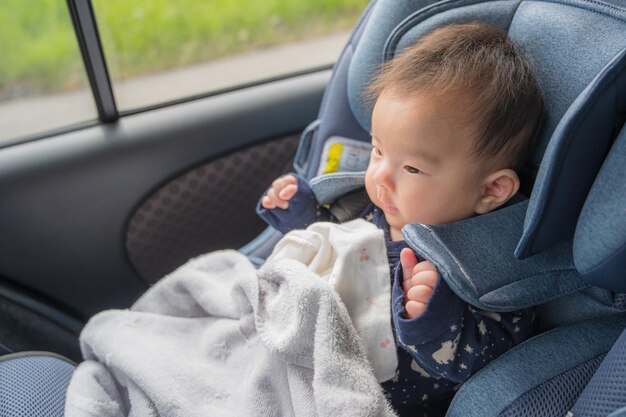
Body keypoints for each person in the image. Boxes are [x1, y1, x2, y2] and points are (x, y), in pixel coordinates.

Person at [257, 22, 544, 416]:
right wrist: (304, 220)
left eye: (411, 169)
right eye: (377, 151)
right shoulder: (375, 208)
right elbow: (338, 253)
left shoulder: (487, 268)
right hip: (296, 359)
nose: (380, 178)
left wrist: (436, 320)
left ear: (490, 191)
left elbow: (487, 360)